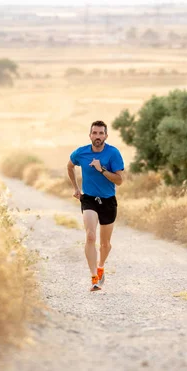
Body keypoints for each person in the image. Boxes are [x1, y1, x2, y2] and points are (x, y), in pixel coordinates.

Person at [67, 120, 124, 292]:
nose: (97, 136)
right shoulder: (81, 152)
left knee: (105, 244)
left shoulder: (113, 153)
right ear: (90, 135)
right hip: (89, 199)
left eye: (101, 133)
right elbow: (70, 166)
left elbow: (119, 180)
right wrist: (76, 188)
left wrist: (101, 170)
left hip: (108, 200)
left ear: (106, 135)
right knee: (91, 236)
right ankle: (94, 278)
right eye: (95, 133)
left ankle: (100, 267)